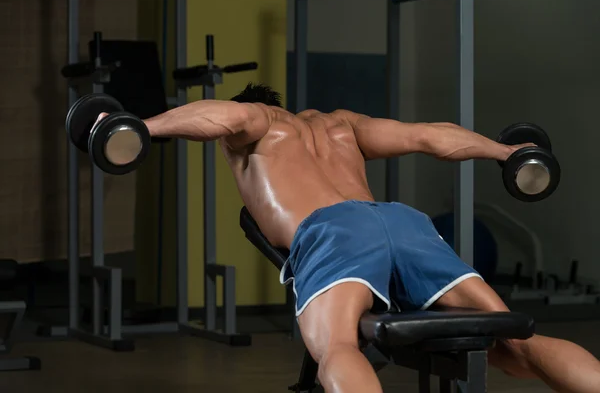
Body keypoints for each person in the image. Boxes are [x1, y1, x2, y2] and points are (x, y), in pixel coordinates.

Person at [112, 83, 600, 393]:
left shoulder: (258, 121)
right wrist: (507, 152)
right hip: (403, 222)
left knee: (338, 349)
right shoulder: (341, 124)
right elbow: (430, 136)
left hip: (336, 232)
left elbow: (230, 118)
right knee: (515, 340)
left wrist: (135, 128)